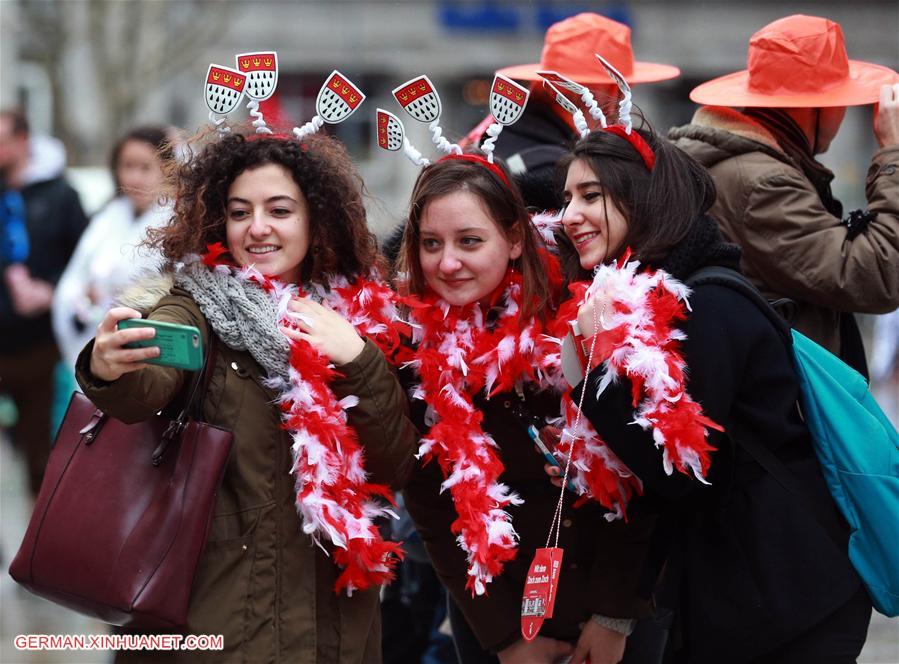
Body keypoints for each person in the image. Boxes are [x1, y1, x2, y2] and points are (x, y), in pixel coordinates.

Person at [75, 130, 418, 662]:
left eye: (279, 210)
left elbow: (393, 464)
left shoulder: (358, 318)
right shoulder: (196, 306)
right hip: (220, 625)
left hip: (336, 632)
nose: (257, 229)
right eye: (240, 212)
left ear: (316, 218)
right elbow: (153, 378)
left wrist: (358, 359)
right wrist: (112, 366)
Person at [554, 123, 872, 663]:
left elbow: (679, 474)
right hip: (741, 595)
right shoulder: (661, 295)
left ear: (646, 199)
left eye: (591, 196)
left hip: (787, 604)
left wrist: (592, 375)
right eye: (567, 199)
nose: (569, 216)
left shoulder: (707, 304)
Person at [397, 153, 654, 664]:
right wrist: (506, 639)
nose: (447, 263)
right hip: (501, 620)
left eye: (469, 241)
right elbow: (429, 503)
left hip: (618, 611)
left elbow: (648, 468)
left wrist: (614, 616)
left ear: (514, 239)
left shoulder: (586, 309)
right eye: (432, 243)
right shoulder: (410, 341)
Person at [668, 14, 899, 378]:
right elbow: (877, 278)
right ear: (816, 107)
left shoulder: (748, 166)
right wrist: (892, 155)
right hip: (776, 403)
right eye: (841, 99)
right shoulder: (764, 183)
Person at [466, 12, 680, 211]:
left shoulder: (501, 132)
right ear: (593, 92)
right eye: (622, 88)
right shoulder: (557, 172)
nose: (625, 99)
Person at [0, 108, 88, 495]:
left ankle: (37, 542)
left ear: (22, 141)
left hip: (41, 345)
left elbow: (85, 262)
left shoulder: (59, 195)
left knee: (42, 453)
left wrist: (51, 289)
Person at [53, 125, 173, 368]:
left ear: (167, 169)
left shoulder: (177, 224)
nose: (134, 178)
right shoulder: (107, 217)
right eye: (127, 166)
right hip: (94, 336)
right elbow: (76, 276)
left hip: (148, 349)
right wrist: (83, 298)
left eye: (145, 167)